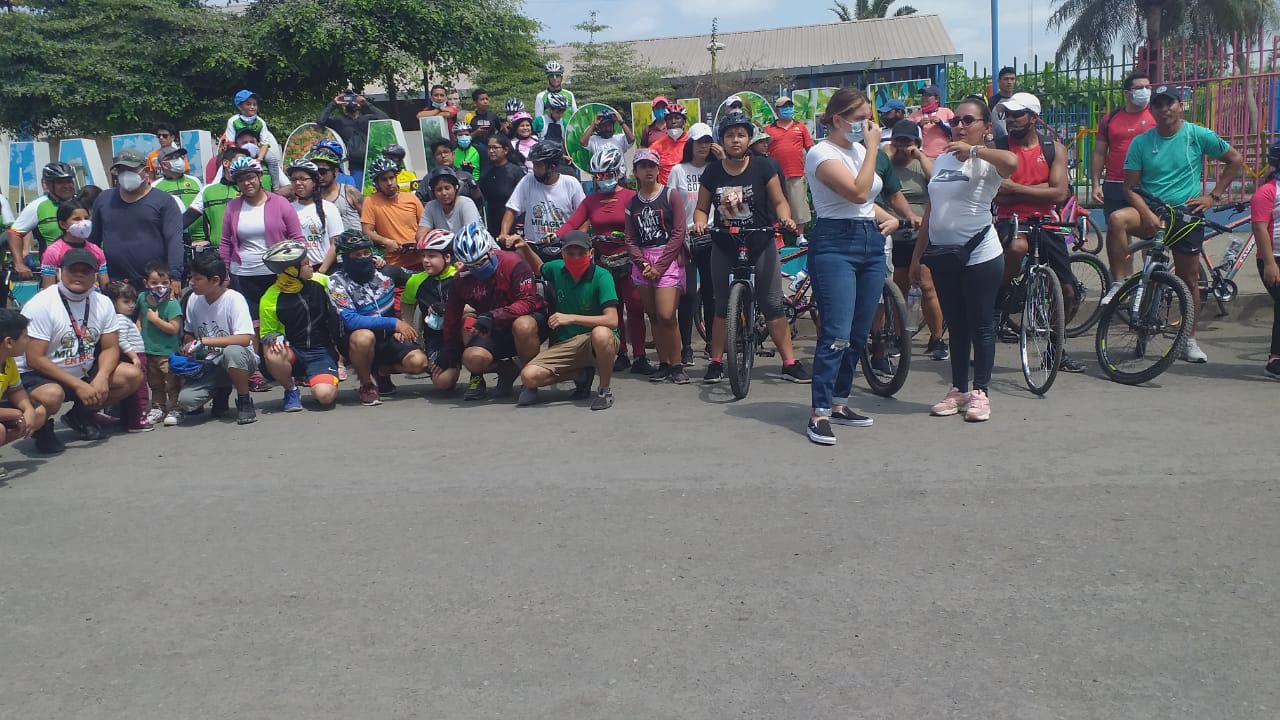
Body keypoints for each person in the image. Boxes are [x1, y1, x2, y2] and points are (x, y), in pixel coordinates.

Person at [1104, 84, 1244, 363]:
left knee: (1189, 279)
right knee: (1117, 219)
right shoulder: (1141, 142)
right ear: (1152, 110)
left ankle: (1189, 340)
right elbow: (1129, 188)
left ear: (1180, 106)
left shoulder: (1197, 134)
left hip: (1186, 214)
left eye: (1169, 103)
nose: (1164, 109)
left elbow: (1235, 159)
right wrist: (1146, 213)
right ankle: (1119, 284)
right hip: (1151, 211)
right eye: (1158, 105)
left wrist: (1213, 196)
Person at [908, 96, 1019, 422]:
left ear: (986, 127)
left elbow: (1011, 162)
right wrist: (917, 257)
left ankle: (980, 392)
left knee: (981, 324)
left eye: (968, 120)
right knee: (956, 325)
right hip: (944, 256)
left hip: (980, 254)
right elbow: (932, 210)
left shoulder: (986, 160)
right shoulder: (942, 160)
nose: (959, 125)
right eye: (955, 120)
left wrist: (973, 150)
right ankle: (958, 389)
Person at [800, 87, 899, 444]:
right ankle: (819, 412)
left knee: (858, 331)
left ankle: (839, 402)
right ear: (838, 119)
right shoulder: (821, 153)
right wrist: (873, 148)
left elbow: (867, 201)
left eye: (868, 119)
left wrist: (890, 217)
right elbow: (855, 192)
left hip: (870, 239)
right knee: (837, 332)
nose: (867, 126)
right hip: (835, 242)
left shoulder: (859, 151)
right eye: (859, 119)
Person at [692, 110, 811, 385]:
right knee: (721, 306)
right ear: (722, 140)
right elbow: (701, 208)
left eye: (741, 135)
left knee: (772, 304)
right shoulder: (712, 171)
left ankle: (789, 363)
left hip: (760, 241)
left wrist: (785, 218)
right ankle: (716, 361)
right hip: (724, 244)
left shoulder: (763, 167)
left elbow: (780, 202)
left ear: (749, 139)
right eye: (730, 135)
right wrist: (699, 222)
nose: (735, 140)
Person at [991, 92, 1083, 373]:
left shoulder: (1053, 148)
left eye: (1017, 115)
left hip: (1047, 220)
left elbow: (1059, 193)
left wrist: (1016, 189)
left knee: (1067, 291)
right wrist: (1040, 190)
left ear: (1033, 117)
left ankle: (1055, 350)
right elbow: (996, 194)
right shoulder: (998, 147)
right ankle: (1000, 298)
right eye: (1007, 115)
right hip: (1010, 219)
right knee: (1017, 248)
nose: (1011, 120)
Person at [19, 248, 144, 453]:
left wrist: (102, 377)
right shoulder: (41, 304)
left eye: (85, 271)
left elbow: (110, 347)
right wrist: (78, 385)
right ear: (60, 271)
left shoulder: (103, 302)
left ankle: (80, 415)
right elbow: (35, 358)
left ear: (95, 275)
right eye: (73, 270)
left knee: (132, 375)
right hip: (42, 374)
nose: (79, 275)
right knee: (52, 395)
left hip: (83, 368)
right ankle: (42, 429)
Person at [557, 147, 650, 374]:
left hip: (630, 260)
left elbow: (643, 225)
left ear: (618, 172)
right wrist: (557, 236)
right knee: (611, 308)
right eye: (598, 175)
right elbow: (572, 223)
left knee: (635, 306)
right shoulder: (591, 201)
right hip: (603, 263)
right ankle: (620, 353)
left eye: (607, 174)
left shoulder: (631, 197)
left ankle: (640, 356)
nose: (602, 179)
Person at [218, 156, 306, 389]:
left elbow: (297, 238)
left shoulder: (280, 203)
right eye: (241, 180)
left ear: (259, 177)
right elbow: (225, 242)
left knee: (286, 319)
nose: (246, 183)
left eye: (250, 178)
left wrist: (300, 267)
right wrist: (224, 274)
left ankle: (296, 366)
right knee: (252, 324)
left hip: (277, 273)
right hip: (244, 273)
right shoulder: (233, 207)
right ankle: (255, 370)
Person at [438, 223, 549, 401]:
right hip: (492, 328)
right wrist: (449, 351)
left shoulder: (514, 263)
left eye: (480, 262)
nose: (477, 269)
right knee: (471, 356)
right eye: (471, 266)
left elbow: (528, 301)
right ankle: (501, 370)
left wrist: (494, 316)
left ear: (490, 251)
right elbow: (452, 316)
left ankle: (529, 379)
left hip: (528, 322)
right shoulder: (461, 278)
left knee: (523, 324)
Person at [516, 231, 620, 410]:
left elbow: (612, 320)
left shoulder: (602, 276)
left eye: (581, 253)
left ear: (591, 253)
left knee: (601, 333)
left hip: (594, 341)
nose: (576, 258)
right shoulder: (557, 268)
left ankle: (604, 390)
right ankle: (579, 374)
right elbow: (539, 268)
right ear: (562, 254)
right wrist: (525, 247)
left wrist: (571, 318)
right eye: (570, 253)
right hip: (567, 343)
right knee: (528, 376)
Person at [327, 231, 429, 405]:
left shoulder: (386, 272)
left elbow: (419, 279)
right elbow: (352, 320)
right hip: (356, 339)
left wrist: (455, 270)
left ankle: (381, 371)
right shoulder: (336, 282)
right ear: (345, 257)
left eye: (366, 252)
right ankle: (366, 384)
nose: (363, 257)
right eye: (357, 255)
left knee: (419, 362)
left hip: (388, 336)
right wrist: (395, 323)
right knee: (364, 337)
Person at [883, 120, 946, 360]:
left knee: (927, 285)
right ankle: (900, 337)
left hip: (922, 231)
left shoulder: (922, 164)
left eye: (906, 141)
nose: (901, 146)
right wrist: (886, 154)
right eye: (897, 140)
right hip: (895, 229)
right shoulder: (886, 164)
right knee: (899, 286)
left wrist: (919, 155)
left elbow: (937, 180)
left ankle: (937, 338)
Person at [625, 149, 688, 383]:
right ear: (636, 172)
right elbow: (630, 238)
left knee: (666, 315)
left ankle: (677, 364)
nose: (648, 170)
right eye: (643, 167)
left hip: (667, 259)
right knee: (652, 315)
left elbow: (678, 233)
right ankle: (663, 363)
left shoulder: (670, 195)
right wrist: (642, 263)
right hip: (642, 261)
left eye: (651, 166)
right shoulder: (632, 203)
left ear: (658, 169)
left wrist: (659, 266)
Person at [258, 241, 343, 411]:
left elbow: (345, 285)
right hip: (293, 351)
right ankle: (291, 390)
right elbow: (266, 333)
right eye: (306, 263)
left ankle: (319, 377)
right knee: (272, 352)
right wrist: (275, 338)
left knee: (325, 397)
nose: (311, 265)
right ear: (291, 271)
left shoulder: (321, 281)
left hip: (321, 351)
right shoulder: (269, 299)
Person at [178, 252, 259, 425]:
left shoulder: (234, 299)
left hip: (240, 360)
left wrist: (204, 341)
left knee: (233, 352)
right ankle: (221, 391)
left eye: (197, 278)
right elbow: (189, 331)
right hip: (208, 362)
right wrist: (188, 345)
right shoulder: (193, 299)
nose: (191, 282)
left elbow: (245, 339)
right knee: (186, 401)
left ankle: (244, 400)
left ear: (215, 280)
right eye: (191, 277)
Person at [667, 122, 722, 365]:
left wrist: (723, 159)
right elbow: (670, 204)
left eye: (707, 141)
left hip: (712, 237)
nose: (703, 146)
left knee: (711, 293)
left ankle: (711, 342)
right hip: (686, 238)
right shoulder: (678, 170)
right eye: (699, 142)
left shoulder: (716, 168)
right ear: (690, 144)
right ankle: (686, 346)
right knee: (687, 294)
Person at [90, 150, 184, 289]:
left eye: (130, 169)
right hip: (115, 285)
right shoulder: (104, 199)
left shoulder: (164, 201)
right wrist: (91, 272)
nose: (125, 174)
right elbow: (93, 241)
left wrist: (175, 276)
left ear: (145, 171)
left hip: (154, 285)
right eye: (121, 170)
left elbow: (174, 240)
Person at [399, 229, 460, 392]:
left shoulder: (460, 275)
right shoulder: (415, 281)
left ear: (447, 257)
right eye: (423, 256)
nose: (425, 261)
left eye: (432, 256)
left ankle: (478, 373)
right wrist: (409, 334)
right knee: (443, 382)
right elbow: (406, 309)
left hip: (461, 335)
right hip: (437, 338)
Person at [1090, 72, 1155, 220]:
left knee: (1151, 227)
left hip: (1148, 183)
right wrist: (1095, 185)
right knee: (1116, 226)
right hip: (1115, 184)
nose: (1145, 91)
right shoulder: (1110, 119)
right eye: (1139, 88)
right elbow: (1099, 153)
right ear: (1127, 93)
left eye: (1147, 87)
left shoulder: (1156, 116)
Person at [500, 141, 585, 246]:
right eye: (534, 164)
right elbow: (512, 209)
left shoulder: (571, 184)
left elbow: (584, 217)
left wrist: (578, 242)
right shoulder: (528, 180)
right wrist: (503, 234)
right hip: (534, 247)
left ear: (552, 167)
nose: (534, 169)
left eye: (539, 165)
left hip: (564, 247)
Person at [8, 162, 79, 281]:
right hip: (53, 272)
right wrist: (19, 264)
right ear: (48, 184)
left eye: (69, 181)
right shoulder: (38, 205)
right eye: (60, 182)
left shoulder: (81, 202)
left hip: (85, 268)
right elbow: (14, 233)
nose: (67, 186)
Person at [765, 95, 817, 247]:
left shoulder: (800, 127)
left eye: (790, 106)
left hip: (796, 172)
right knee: (775, 206)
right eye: (784, 107)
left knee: (798, 204)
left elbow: (810, 148)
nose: (788, 109)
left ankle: (800, 236)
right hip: (774, 174)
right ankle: (777, 238)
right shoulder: (768, 130)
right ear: (777, 110)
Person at [103, 281, 152, 432]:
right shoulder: (121, 319)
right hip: (135, 356)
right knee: (139, 390)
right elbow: (121, 340)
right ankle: (138, 420)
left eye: (133, 301)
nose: (131, 305)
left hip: (133, 355)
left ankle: (127, 418)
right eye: (126, 302)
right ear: (113, 303)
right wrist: (134, 356)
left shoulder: (121, 318)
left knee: (131, 392)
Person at [139, 261, 183, 427]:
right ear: (146, 283)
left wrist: (156, 320)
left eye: (164, 283)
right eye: (154, 283)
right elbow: (140, 317)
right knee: (155, 383)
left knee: (172, 383)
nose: (159, 287)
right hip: (149, 351)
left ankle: (176, 408)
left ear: (170, 283)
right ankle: (158, 408)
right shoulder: (142, 298)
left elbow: (174, 328)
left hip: (167, 353)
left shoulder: (172, 304)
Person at [0, 310, 48, 460]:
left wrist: (28, 410)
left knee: (38, 413)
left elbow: (16, 390)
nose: (28, 340)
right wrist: (15, 414)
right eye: (25, 337)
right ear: (9, 342)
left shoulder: (8, 361)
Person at [361, 157, 425, 269]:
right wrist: (386, 241)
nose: (389, 183)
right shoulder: (370, 201)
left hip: (421, 259)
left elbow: (425, 225)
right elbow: (367, 231)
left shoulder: (411, 198)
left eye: (391, 178)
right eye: (384, 180)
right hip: (393, 263)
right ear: (377, 183)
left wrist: (419, 242)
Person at [1251, 141, 1280, 377]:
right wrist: (1270, 264)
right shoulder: (1267, 192)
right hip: (1273, 259)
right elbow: (1259, 229)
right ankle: (1275, 360)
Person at [317, 92, 389, 181]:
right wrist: (334, 103)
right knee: (357, 187)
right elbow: (320, 121)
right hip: (354, 165)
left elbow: (386, 120)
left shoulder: (367, 119)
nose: (351, 102)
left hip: (371, 159)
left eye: (353, 99)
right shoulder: (339, 121)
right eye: (347, 99)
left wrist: (365, 103)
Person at [287, 159, 341, 274]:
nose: (298, 183)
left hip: (324, 269)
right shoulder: (287, 209)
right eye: (294, 179)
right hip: (297, 271)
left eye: (303, 179)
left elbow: (335, 244)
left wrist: (321, 272)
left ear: (314, 182)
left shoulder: (329, 208)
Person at [39, 201, 108, 289]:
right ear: (63, 224)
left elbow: (105, 286)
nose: (84, 223)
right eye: (77, 219)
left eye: (86, 218)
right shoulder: (53, 252)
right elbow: (49, 288)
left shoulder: (96, 250)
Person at [224, 90, 284, 189]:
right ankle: (225, 183)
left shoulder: (260, 122)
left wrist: (259, 158)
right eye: (248, 104)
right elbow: (231, 142)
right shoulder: (233, 121)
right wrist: (239, 156)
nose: (252, 107)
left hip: (257, 149)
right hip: (239, 149)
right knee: (226, 162)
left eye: (254, 104)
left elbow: (265, 142)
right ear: (240, 107)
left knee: (272, 159)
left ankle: (276, 187)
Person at [194, 146, 250, 250]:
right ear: (225, 163)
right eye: (240, 161)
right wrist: (200, 240)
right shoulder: (208, 191)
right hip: (217, 251)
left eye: (247, 162)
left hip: (247, 250)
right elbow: (197, 218)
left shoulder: (250, 189)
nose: (244, 165)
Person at [152, 146, 205, 245]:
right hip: (173, 242)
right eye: (174, 157)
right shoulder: (155, 186)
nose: (179, 160)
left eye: (179, 156)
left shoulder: (195, 181)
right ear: (164, 164)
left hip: (200, 241)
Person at [479, 133, 527, 238]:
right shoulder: (486, 171)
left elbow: (524, 199)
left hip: (514, 225)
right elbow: (480, 196)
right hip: (492, 223)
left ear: (505, 150)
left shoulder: (515, 172)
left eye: (495, 147)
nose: (491, 151)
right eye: (489, 148)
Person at [308, 145, 364, 232]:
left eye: (322, 171)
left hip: (353, 239)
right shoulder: (313, 197)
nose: (319, 176)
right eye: (315, 172)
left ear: (335, 171)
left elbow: (369, 221)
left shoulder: (350, 192)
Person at [418, 167, 481, 234]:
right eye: (439, 190)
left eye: (447, 188)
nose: (444, 193)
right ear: (433, 192)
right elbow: (421, 233)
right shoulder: (431, 206)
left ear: (455, 188)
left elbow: (471, 233)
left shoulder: (466, 204)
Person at [647, 103, 689, 184]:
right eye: (669, 119)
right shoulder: (658, 145)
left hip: (687, 187)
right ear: (666, 123)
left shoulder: (692, 142)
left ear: (684, 122)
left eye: (677, 118)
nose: (673, 122)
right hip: (666, 189)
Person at [909, 85, 955, 159]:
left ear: (936, 99)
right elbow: (909, 135)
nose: (923, 98)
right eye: (923, 95)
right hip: (923, 157)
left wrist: (941, 124)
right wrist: (919, 125)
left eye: (927, 95)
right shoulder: (914, 115)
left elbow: (954, 131)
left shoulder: (946, 112)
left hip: (945, 155)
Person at [988, 66, 1018, 140]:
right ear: (999, 81)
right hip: (998, 142)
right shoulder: (991, 102)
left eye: (1012, 79)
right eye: (1006, 79)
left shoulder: (1019, 101)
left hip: (1017, 141)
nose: (1009, 82)